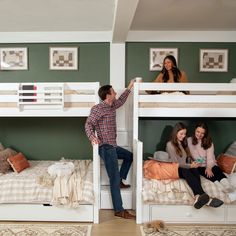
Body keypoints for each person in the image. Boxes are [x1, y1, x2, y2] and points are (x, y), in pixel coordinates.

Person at [85, 80, 135, 219]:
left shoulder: (112, 106)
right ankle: (119, 210)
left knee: (130, 156)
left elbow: (121, 100)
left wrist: (130, 87)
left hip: (112, 145)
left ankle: (120, 179)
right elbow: (88, 124)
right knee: (113, 179)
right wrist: (92, 138)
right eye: (113, 92)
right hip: (106, 147)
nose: (116, 93)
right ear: (108, 95)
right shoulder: (98, 109)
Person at [166, 122, 223, 209]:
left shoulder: (183, 143)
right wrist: (190, 166)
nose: (183, 136)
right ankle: (206, 198)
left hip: (185, 166)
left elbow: (188, 157)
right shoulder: (170, 144)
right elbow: (175, 164)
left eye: (185, 134)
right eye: (181, 134)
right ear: (175, 133)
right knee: (186, 169)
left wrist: (193, 163)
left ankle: (198, 197)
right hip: (176, 168)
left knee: (195, 170)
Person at [187, 122, 236, 202]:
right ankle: (222, 189)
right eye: (198, 132)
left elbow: (210, 158)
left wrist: (209, 167)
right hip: (198, 166)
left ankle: (228, 186)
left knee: (215, 170)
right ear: (195, 130)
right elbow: (193, 157)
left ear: (205, 134)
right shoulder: (189, 141)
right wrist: (202, 163)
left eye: (202, 133)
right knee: (208, 174)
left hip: (210, 163)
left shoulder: (209, 142)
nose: (199, 135)